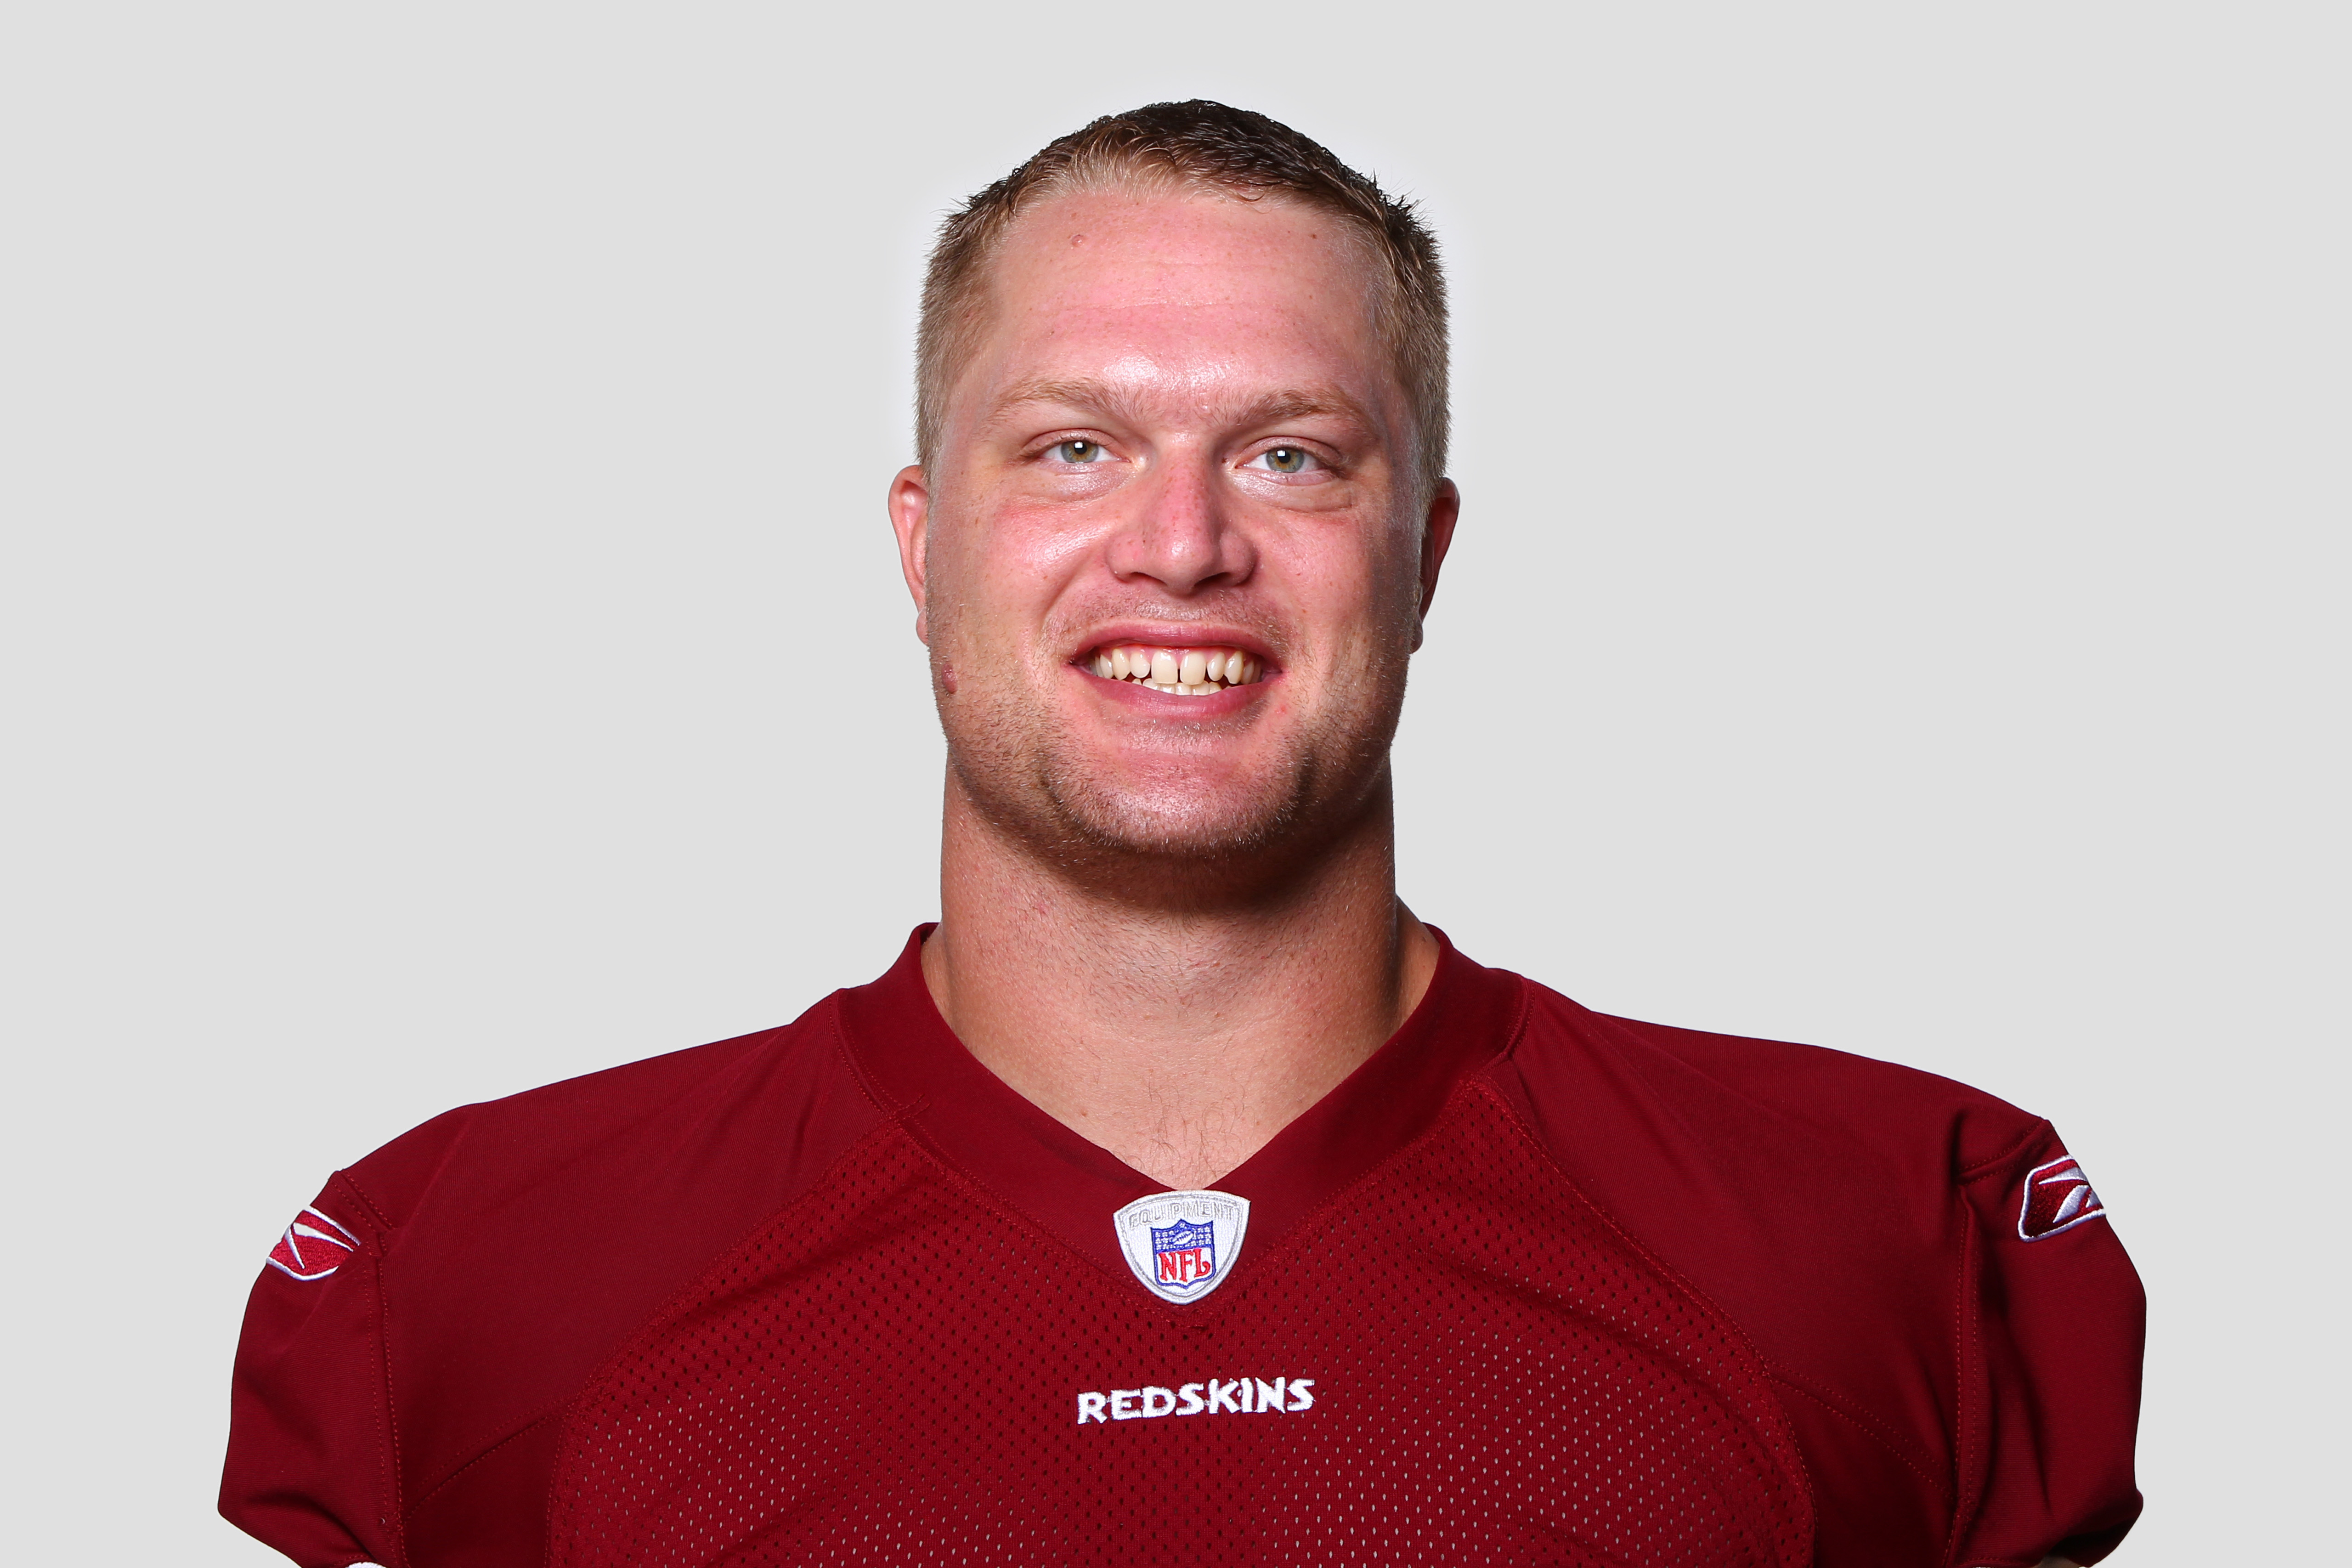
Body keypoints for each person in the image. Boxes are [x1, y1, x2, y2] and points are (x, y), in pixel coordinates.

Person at [221, 101, 2144, 1568]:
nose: (1181, 543)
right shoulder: (480, 1265)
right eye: (1075, 446)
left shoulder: (1882, 1227)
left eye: (1290, 456)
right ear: (921, 546)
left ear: (1424, 555)